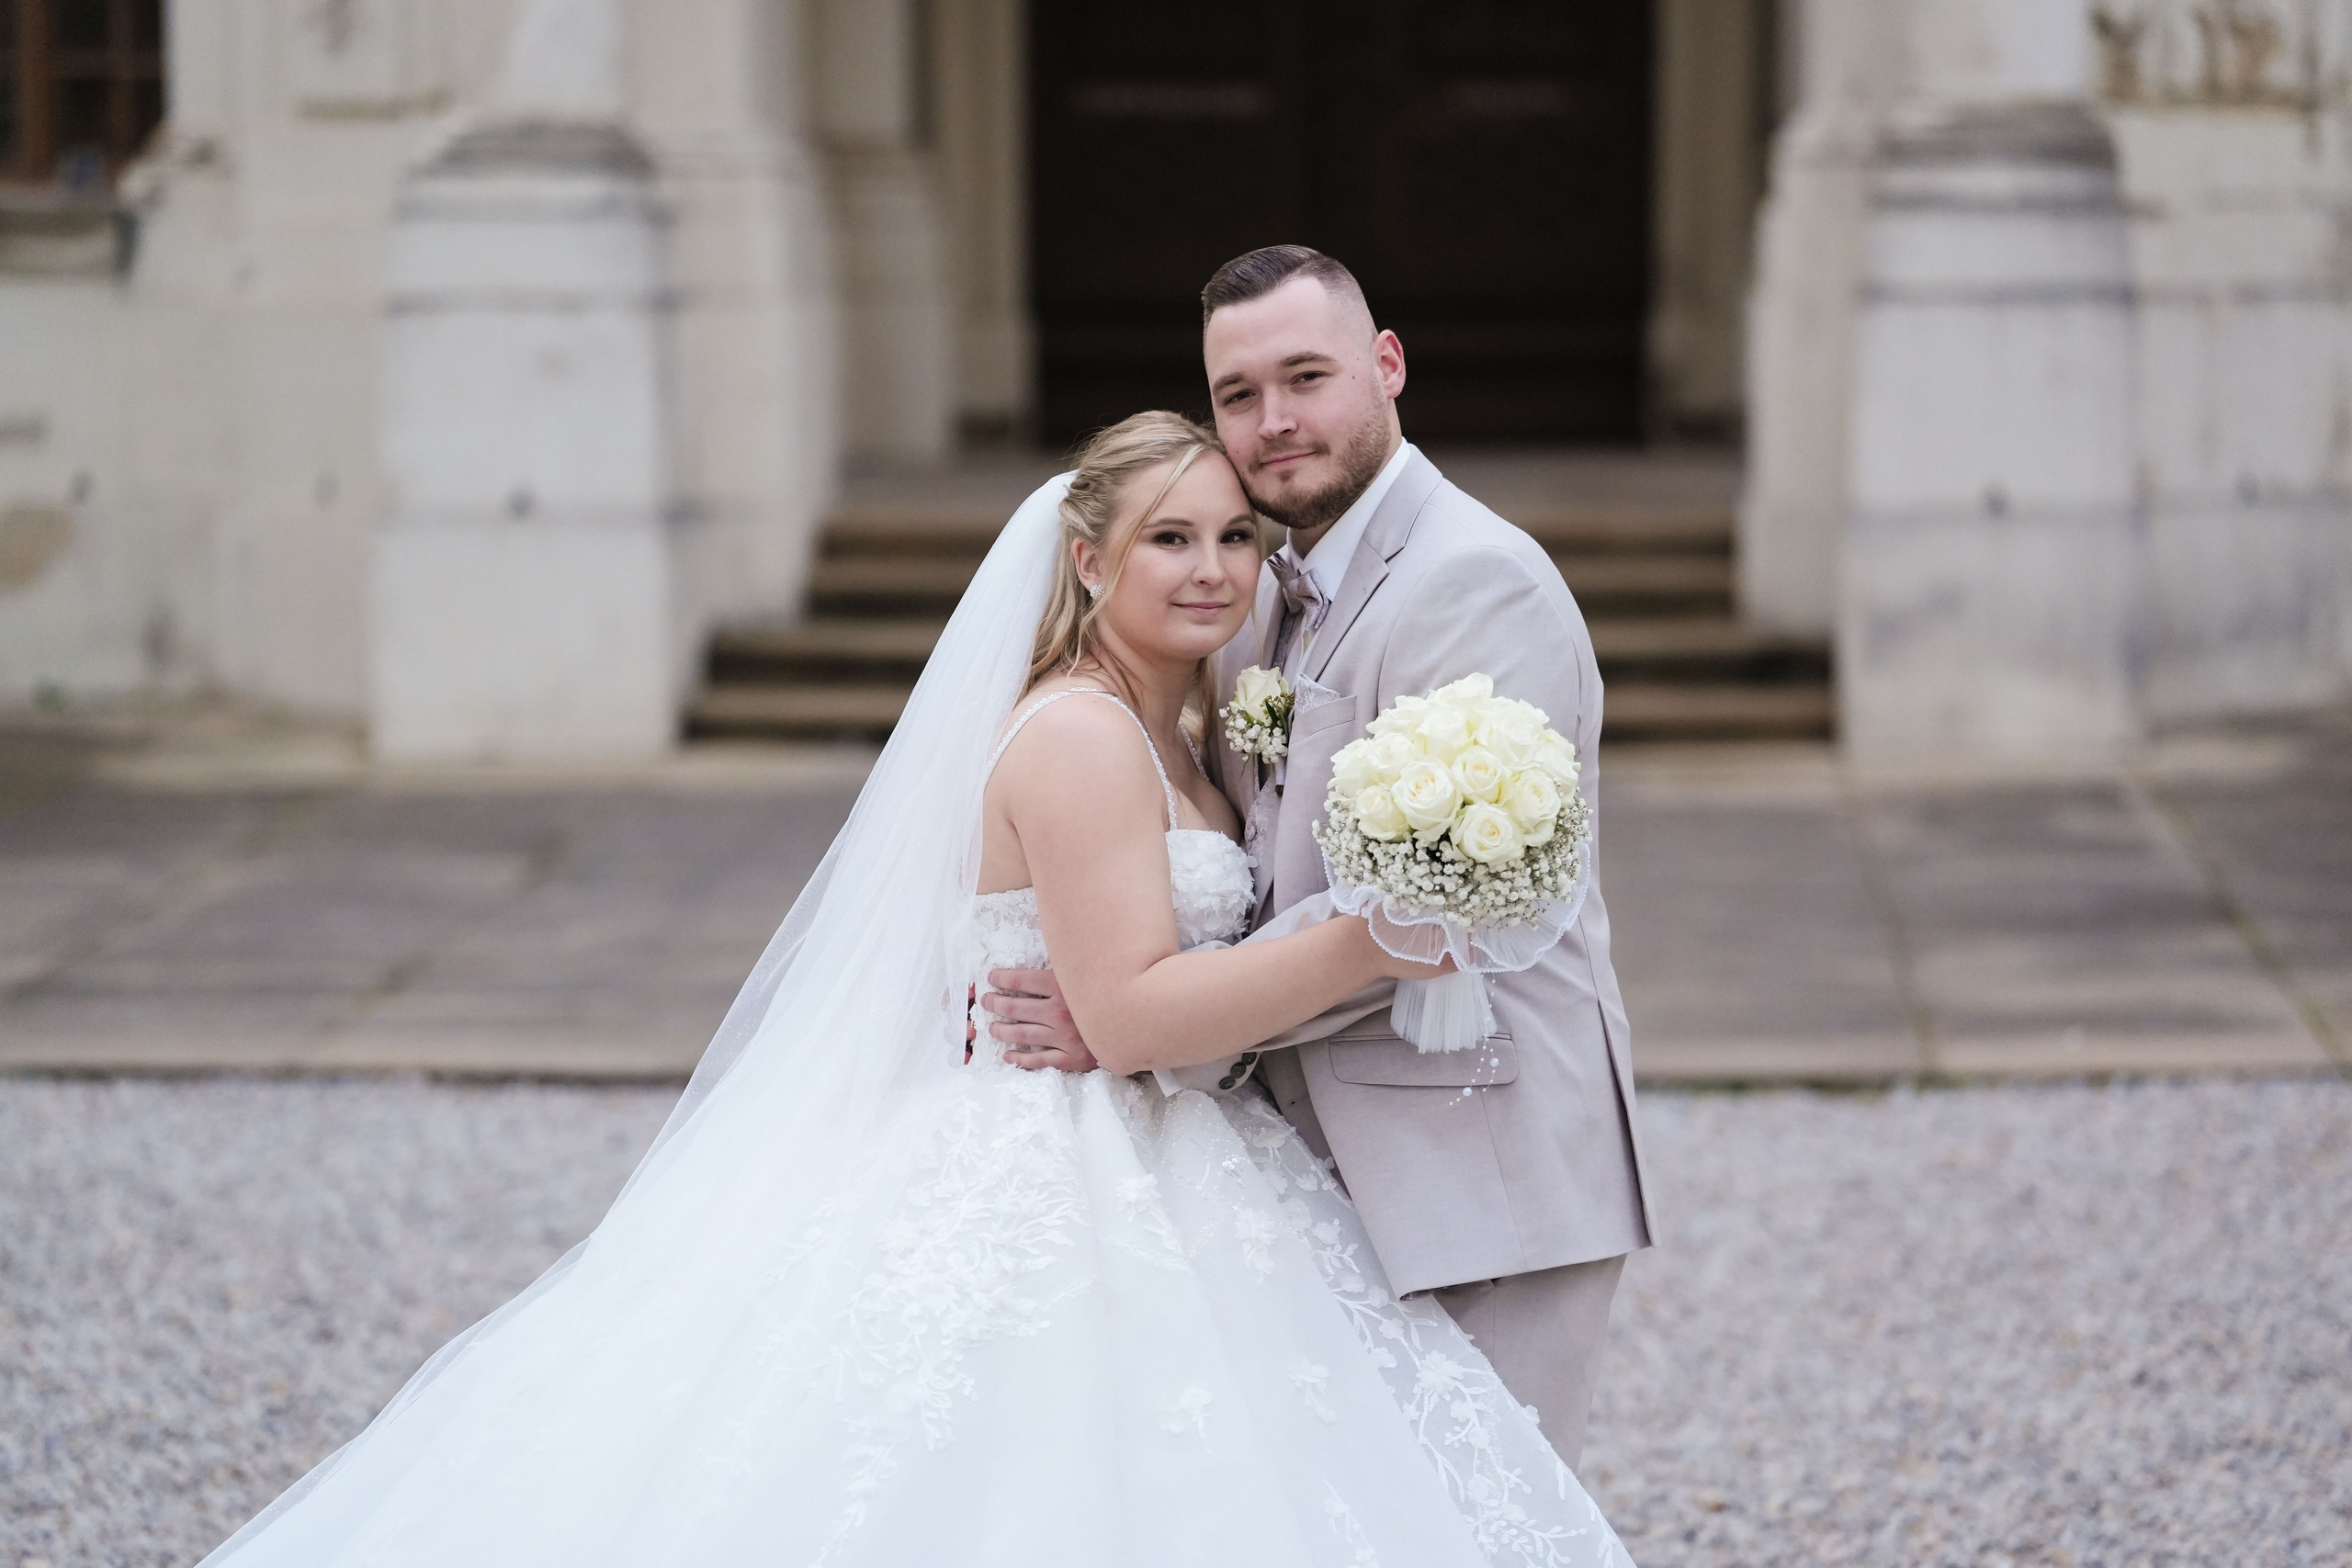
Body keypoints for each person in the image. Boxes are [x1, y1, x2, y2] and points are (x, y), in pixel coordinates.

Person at [194, 412, 1633, 1566]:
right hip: (1069, 1161)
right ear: (1086, 561)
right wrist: (1385, 931)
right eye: (1169, 540)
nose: (1212, 570)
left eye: (1236, 539)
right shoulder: (1079, 738)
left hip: (1182, 1149)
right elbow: (1129, 1017)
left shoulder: (1182, 726)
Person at [982, 247, 1654, 1468]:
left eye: (1306, 377)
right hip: (1323, 1165)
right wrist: (1133, 990)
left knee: (1485, 1532)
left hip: (1473, 1166)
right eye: (1238, 395)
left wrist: (1147, 1016)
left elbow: (1436, 906)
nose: (1273, 421)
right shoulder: (1254, 597)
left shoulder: (1474, 584)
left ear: (1387, 366)